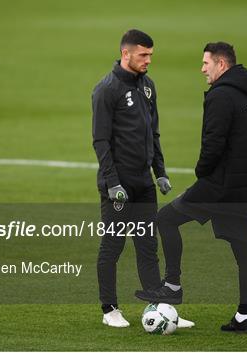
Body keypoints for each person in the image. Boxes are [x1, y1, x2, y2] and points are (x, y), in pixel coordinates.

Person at [135, 42, 247, 333]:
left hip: (223, 186)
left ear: (221, 65)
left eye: (206, 63)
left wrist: (201, 173)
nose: (202, 69)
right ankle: (243, 317)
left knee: (165, 219)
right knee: (244, 251)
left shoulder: (221, 95)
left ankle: (173, 285)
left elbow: (213, 143)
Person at [92, 29, 193, 328]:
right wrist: (112, 182)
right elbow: (100, 141)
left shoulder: (148, 86)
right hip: (118, 186)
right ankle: (109, 309)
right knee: (113, 245)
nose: (149, 60)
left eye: (151, 54)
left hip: (144, 184)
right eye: (143, 55)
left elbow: (154, 133)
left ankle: (159, 307)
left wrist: (160, 172)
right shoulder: (106, 90)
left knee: (148, 245)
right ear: (126, 54)